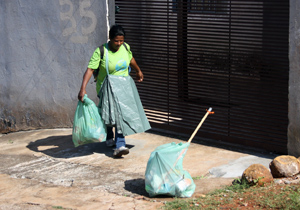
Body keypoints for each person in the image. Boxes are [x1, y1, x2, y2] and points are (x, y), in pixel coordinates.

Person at [78, 24, 145, 158]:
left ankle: (119, 144)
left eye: (121, 40)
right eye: (116, 41)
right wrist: (83, 88)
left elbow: (130, 59)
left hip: (123, 87)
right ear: (110, 38)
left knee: (119, 114)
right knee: (110, 113)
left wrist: (138, 70)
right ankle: (111, 136)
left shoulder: (125, 47)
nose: (119, 43)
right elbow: (90, 69)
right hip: (106, 88)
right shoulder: (101, 51)